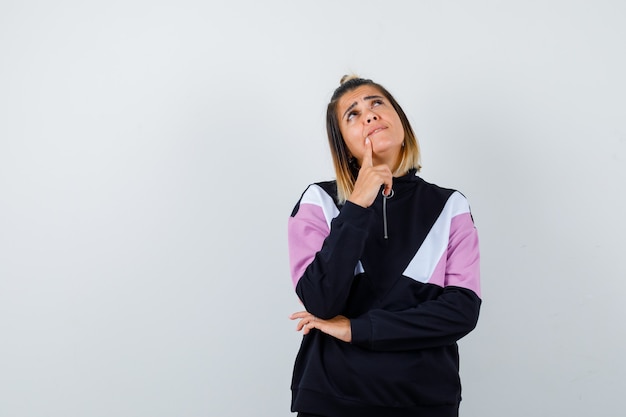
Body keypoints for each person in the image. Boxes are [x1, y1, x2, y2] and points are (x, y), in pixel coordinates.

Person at [287, 75, 481, 417]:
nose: (370, 115)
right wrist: (358, 204)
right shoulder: (319, 201)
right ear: (345, 145)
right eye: (353, 114)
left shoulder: (451, 206)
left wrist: (357, 329)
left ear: (399, 120)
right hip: (332, 398)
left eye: (377, 103)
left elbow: (460, 313)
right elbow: (320, 300)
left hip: (424, 400)